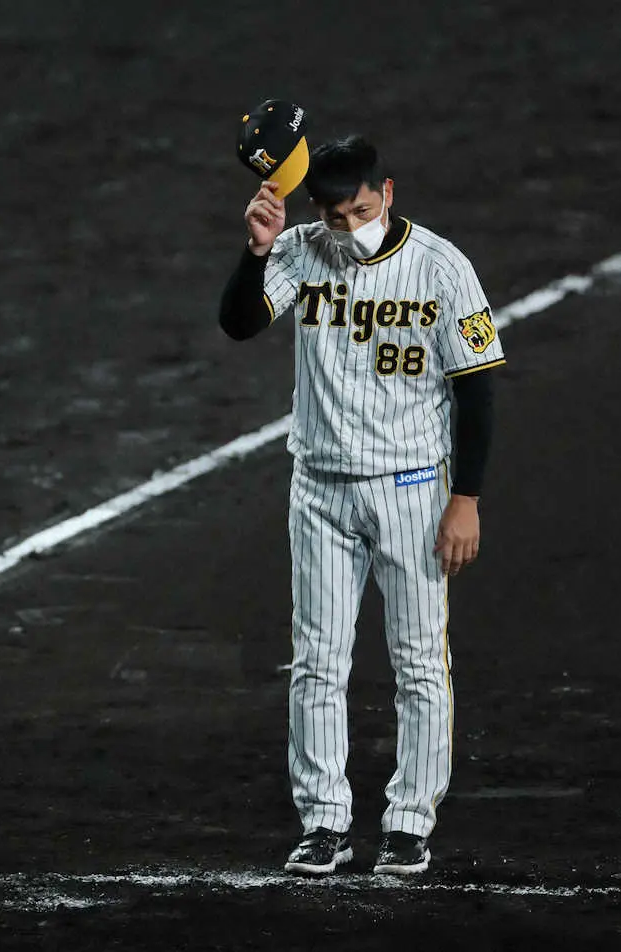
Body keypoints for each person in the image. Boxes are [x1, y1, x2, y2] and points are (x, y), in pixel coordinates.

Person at [219, 133, 505, 876]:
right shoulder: (304, 248)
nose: (350, 226)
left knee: (418, 663)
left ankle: (409, 823)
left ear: (389, 193)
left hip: (413, 488)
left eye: (362, 210)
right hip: (318, 490)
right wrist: (255, 253)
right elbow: (240, 323)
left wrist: (465, 498)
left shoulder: (442, 267)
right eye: (337, 215)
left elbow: (476, 386)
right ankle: (324, 822)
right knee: (316, 661)